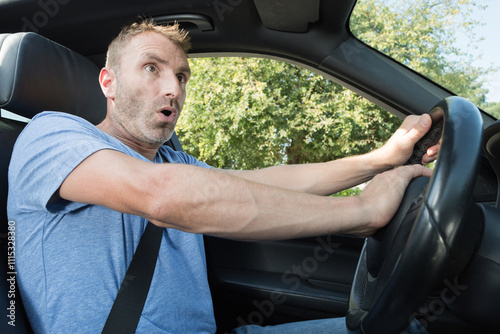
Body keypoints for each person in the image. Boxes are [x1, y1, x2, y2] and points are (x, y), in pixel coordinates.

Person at [7, 21, 438, 333]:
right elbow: (163, 198)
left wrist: (380, 160)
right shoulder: (52, 134)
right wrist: (363, 210)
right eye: (152, 68)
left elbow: (269, 183)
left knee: (407, 326)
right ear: (109, 82)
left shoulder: (174, 164)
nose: (173, 89)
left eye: (181, 76)